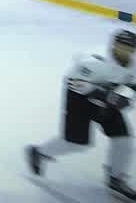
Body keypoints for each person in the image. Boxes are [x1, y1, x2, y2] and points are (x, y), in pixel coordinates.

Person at [27, 29, 136, 201]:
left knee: (124, 140)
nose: (123, 50)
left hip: (108, 96)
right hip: (78, 98)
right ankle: (39, 152)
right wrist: (109, 96)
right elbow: (76, 83)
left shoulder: (134, 65)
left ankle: (116, 178)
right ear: (113, 44)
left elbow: (132, 89)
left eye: (129, 48)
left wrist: (122, 98)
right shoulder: (93, 61)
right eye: (120, 45)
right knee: (76, 143)